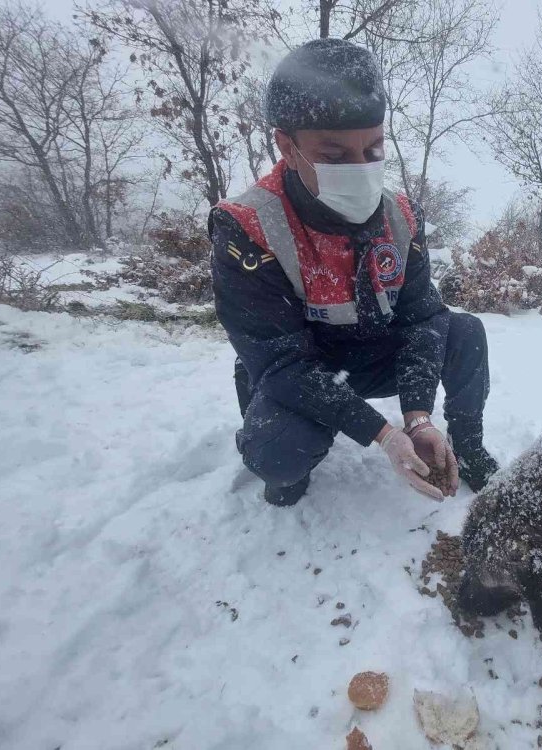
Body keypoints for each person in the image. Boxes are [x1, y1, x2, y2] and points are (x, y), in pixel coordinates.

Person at [209, 38, 498, 507]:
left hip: (372, 350)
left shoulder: (401, 215)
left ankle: (466, 444)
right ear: (287, 145)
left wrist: (418, 419)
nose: (361, 169)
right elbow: (281, 362)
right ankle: (276, 458)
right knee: (280, 454)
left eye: (373, 149)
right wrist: (381, 434)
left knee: (464, 329)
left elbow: (423, 318)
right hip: (301, 367)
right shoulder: (247, 226)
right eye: (336, 155)